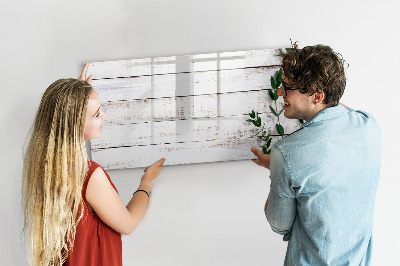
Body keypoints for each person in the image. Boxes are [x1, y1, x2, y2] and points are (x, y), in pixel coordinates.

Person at [22, 63, 165, 266]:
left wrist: (77, 96)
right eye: (97, 114)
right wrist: (146, 182)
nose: (103, 116)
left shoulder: (44, 168)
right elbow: (129, 223)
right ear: (75, 124)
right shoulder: (90, 176)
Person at [251, 45, 381, 265]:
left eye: (287, 87)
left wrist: (278, 169)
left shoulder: (287, 154)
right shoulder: (369, 125)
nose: (280, 92)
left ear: (317, 95)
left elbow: (279, 225)